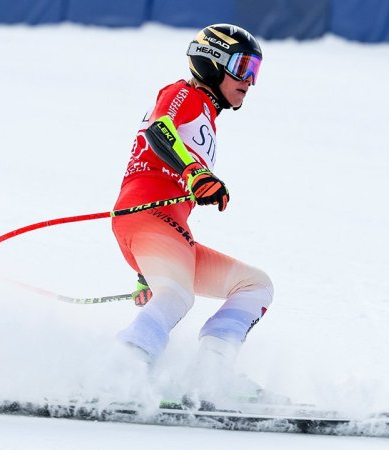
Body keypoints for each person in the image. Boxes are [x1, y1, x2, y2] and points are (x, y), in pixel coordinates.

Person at [111, 24, 273, 400]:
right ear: (213, 62)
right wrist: (195, 172)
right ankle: (124, 367)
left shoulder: (207, 118)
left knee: (255, 286)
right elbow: (159, 128)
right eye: (243, 68)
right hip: (143, 214)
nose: (250, 81)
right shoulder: (185, 94)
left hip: (169, 231)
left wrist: (145, 271)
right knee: (178, 294)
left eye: (255, 72)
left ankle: (212, 372)